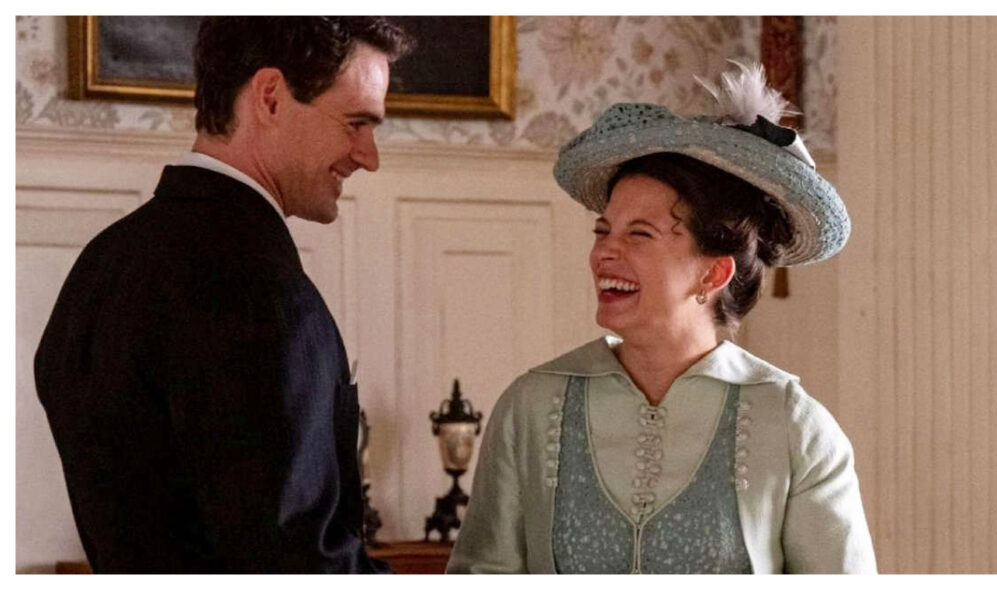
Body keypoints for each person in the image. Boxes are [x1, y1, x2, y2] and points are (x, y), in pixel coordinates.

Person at [447, 61, 877, 574]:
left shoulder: (794, 426)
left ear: (713, 273)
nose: (604, 253)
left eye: (639, 234)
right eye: (603, 231)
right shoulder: (531, 406)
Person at [34, 17, 412, 573]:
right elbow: (298, 567)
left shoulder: (103, 263)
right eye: (356, 122)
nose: (368, 155)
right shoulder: (263, 295)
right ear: (270, 97)